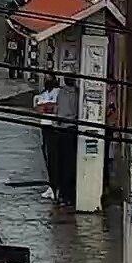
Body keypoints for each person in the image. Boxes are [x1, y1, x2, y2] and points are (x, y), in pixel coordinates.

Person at [55, 75, 80, 206]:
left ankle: (62, 195)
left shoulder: (61, 93)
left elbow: (57, 110)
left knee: (62, 164)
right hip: (72, 130)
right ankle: (69, 195)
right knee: (70, 164)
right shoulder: (77, 94)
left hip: (62, 129)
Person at [35, 77, 60, 200]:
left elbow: (54, 108)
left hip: (54, 127)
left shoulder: (58, 93)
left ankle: (55, 186)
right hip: (45, 126)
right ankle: (52, 186)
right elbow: (40, 110)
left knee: (54, 157)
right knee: (47, 156)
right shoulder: (43, 94)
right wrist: (49, 107)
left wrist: (47, 107)